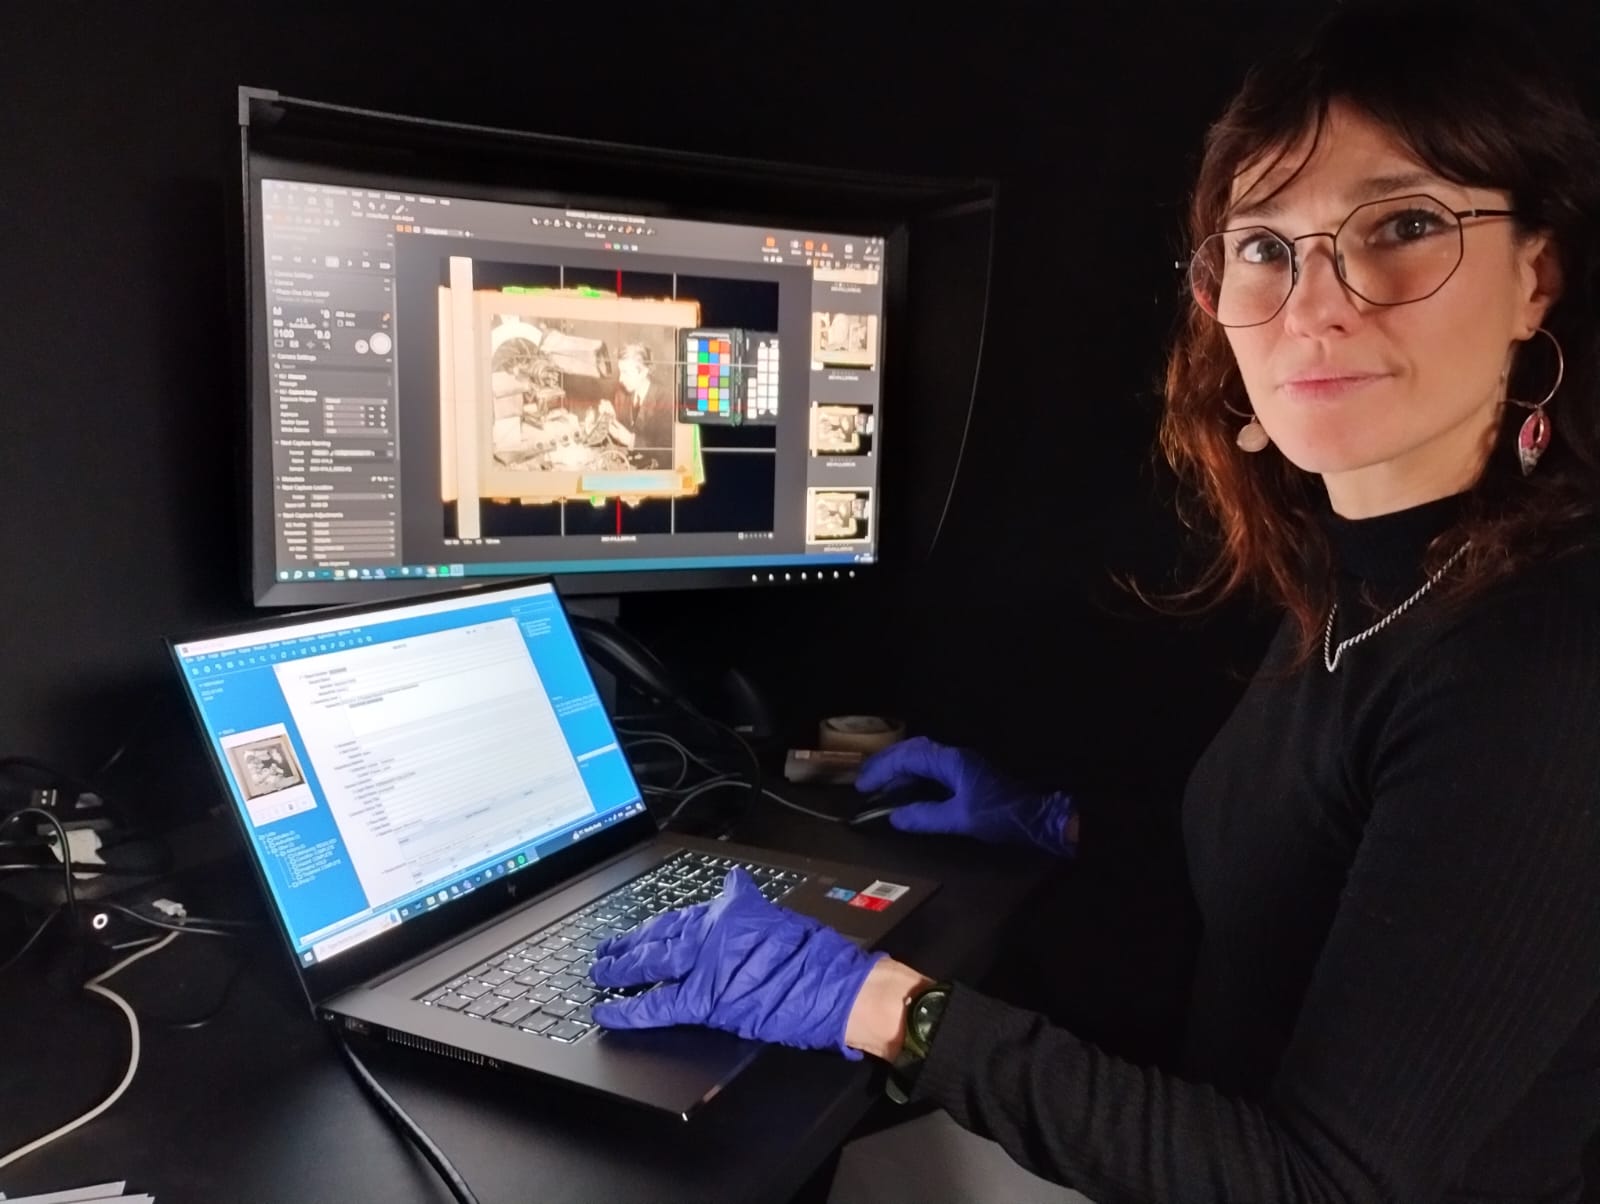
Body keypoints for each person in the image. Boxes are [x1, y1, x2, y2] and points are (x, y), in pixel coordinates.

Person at [586, 3, 1600, 1199]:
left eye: (1404, 227)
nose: (1316, 303)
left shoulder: (1542, 663)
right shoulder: (1373, 570)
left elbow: (1324, 1183)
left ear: (1537, 274)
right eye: (1265, 246)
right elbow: (1326, 880)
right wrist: (1059, 823)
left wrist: (877, 1005)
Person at [602, 343, 676, 455]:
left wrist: (630, 440)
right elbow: (619, 433)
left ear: (644, 372)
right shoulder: (622, 393)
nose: (620, 379)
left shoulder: (665, 399)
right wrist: (610, 418)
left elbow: (667, 450)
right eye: (620, 372)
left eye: (626, 372)